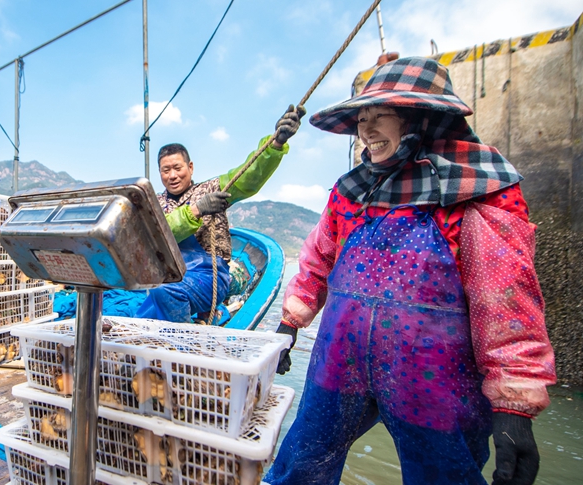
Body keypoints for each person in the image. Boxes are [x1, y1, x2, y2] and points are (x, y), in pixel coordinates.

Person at [266, 57, 556, 485]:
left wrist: (514, 406)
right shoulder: (352, 191)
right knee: (300, 468)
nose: (365, 130)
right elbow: (317, 261)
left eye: (380, 116)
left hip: (434, 384)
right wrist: (289, 326)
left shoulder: (476, 189)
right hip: (337, 366)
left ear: (422, 117)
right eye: (361, 119)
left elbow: (505, 299)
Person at [134, 105, 305, 323]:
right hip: (171, 276)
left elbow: (247, 176)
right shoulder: (154, 204)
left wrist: (275, 144)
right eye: (165, 170)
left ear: (191, 167)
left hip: (209, 278)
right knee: (140, 316)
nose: (172, 175)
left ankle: (184, 343)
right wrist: (196, 211)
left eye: (178, 168)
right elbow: (158, 236)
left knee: (163, 292)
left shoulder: (213, 188)